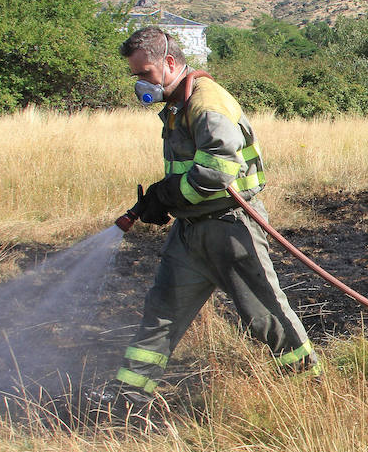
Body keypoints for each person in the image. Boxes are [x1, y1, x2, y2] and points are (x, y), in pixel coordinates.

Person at [91, 27, 319, 418]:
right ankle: (128, 399)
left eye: (144, 73)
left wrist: (167, 194)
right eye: (136, 76)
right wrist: (165, 200)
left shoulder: (207, 102)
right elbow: (189, 171)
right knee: (160, 311)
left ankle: (310, 388)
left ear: (169, 63)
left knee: (264, 315)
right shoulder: (177, 105)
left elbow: (218, 171)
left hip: (229, 228)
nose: (140, 84)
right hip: (190, 232)